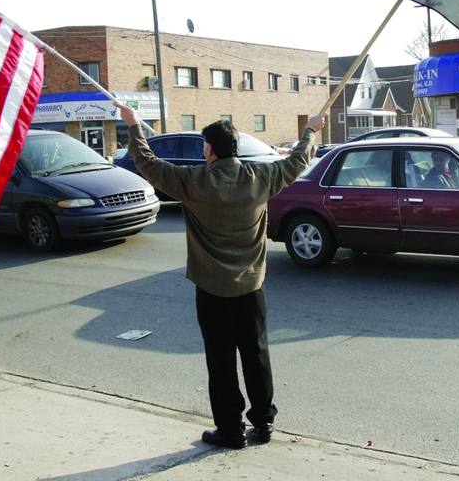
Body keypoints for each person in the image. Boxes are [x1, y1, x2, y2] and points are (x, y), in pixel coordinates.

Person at [117, 102, 325, 449]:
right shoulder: (261, 177)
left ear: (210, 150)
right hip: (251, 286)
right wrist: (312, 130)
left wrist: (134, 125)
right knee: (256, 353)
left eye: (204, 146)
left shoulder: (193, 181)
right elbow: (298, 160)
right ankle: (263, 422)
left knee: (221, 358)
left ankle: (230, 429)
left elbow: (147, 163)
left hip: (212, 288)